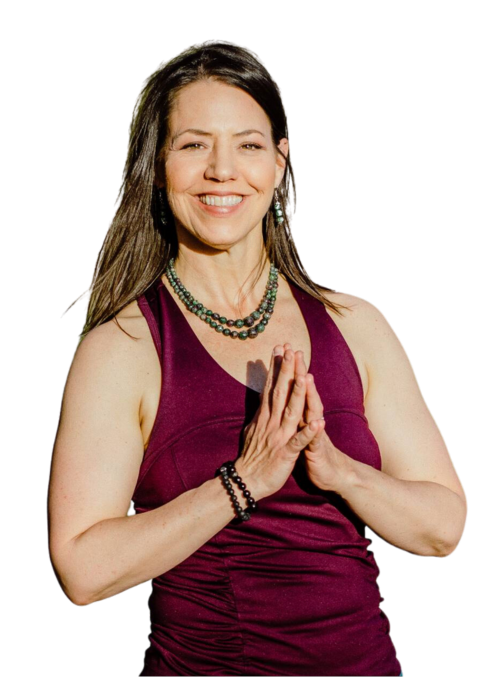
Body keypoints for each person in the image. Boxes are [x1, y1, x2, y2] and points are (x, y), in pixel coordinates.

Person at [48, 40, 468, 677]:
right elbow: (83, 570)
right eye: (193, 145)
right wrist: (243, 483)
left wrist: (341, 471)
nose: (222, 170)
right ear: (158, 166)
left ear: (279, 164)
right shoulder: (124, 346)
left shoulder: (356, 324)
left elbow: (443, 528)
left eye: (247, 145)